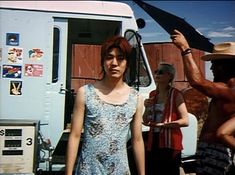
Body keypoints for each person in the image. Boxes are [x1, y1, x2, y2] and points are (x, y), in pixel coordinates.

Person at [65, 36, 145, 175]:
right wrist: (68, 172)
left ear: (127, 63)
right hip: (88, 170)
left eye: (120, 58)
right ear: (103, 61)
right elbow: (75, 135)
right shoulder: (85, 93)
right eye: (109, 57)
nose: (114, 63)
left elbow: (137, 140)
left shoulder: (135, 98)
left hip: (119, 170)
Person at [170, 29, 235, 175]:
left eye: (214, 64)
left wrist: (185, 49)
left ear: (225, 66)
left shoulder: (230, 89)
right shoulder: (225, 88)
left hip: (217, 151)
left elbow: (197, 81)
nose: (211, 68)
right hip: (212, 149)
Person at [142, 62, 189, 175]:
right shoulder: (153, 94)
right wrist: (146, 107)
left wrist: (163, 125)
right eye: (156, 71)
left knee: (169, 171)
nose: (157, 74)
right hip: (154, 140)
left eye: (161, 72)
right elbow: (145, 120)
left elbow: (185, 121)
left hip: (170, 141)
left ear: (170, 76)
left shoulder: (176, 94)